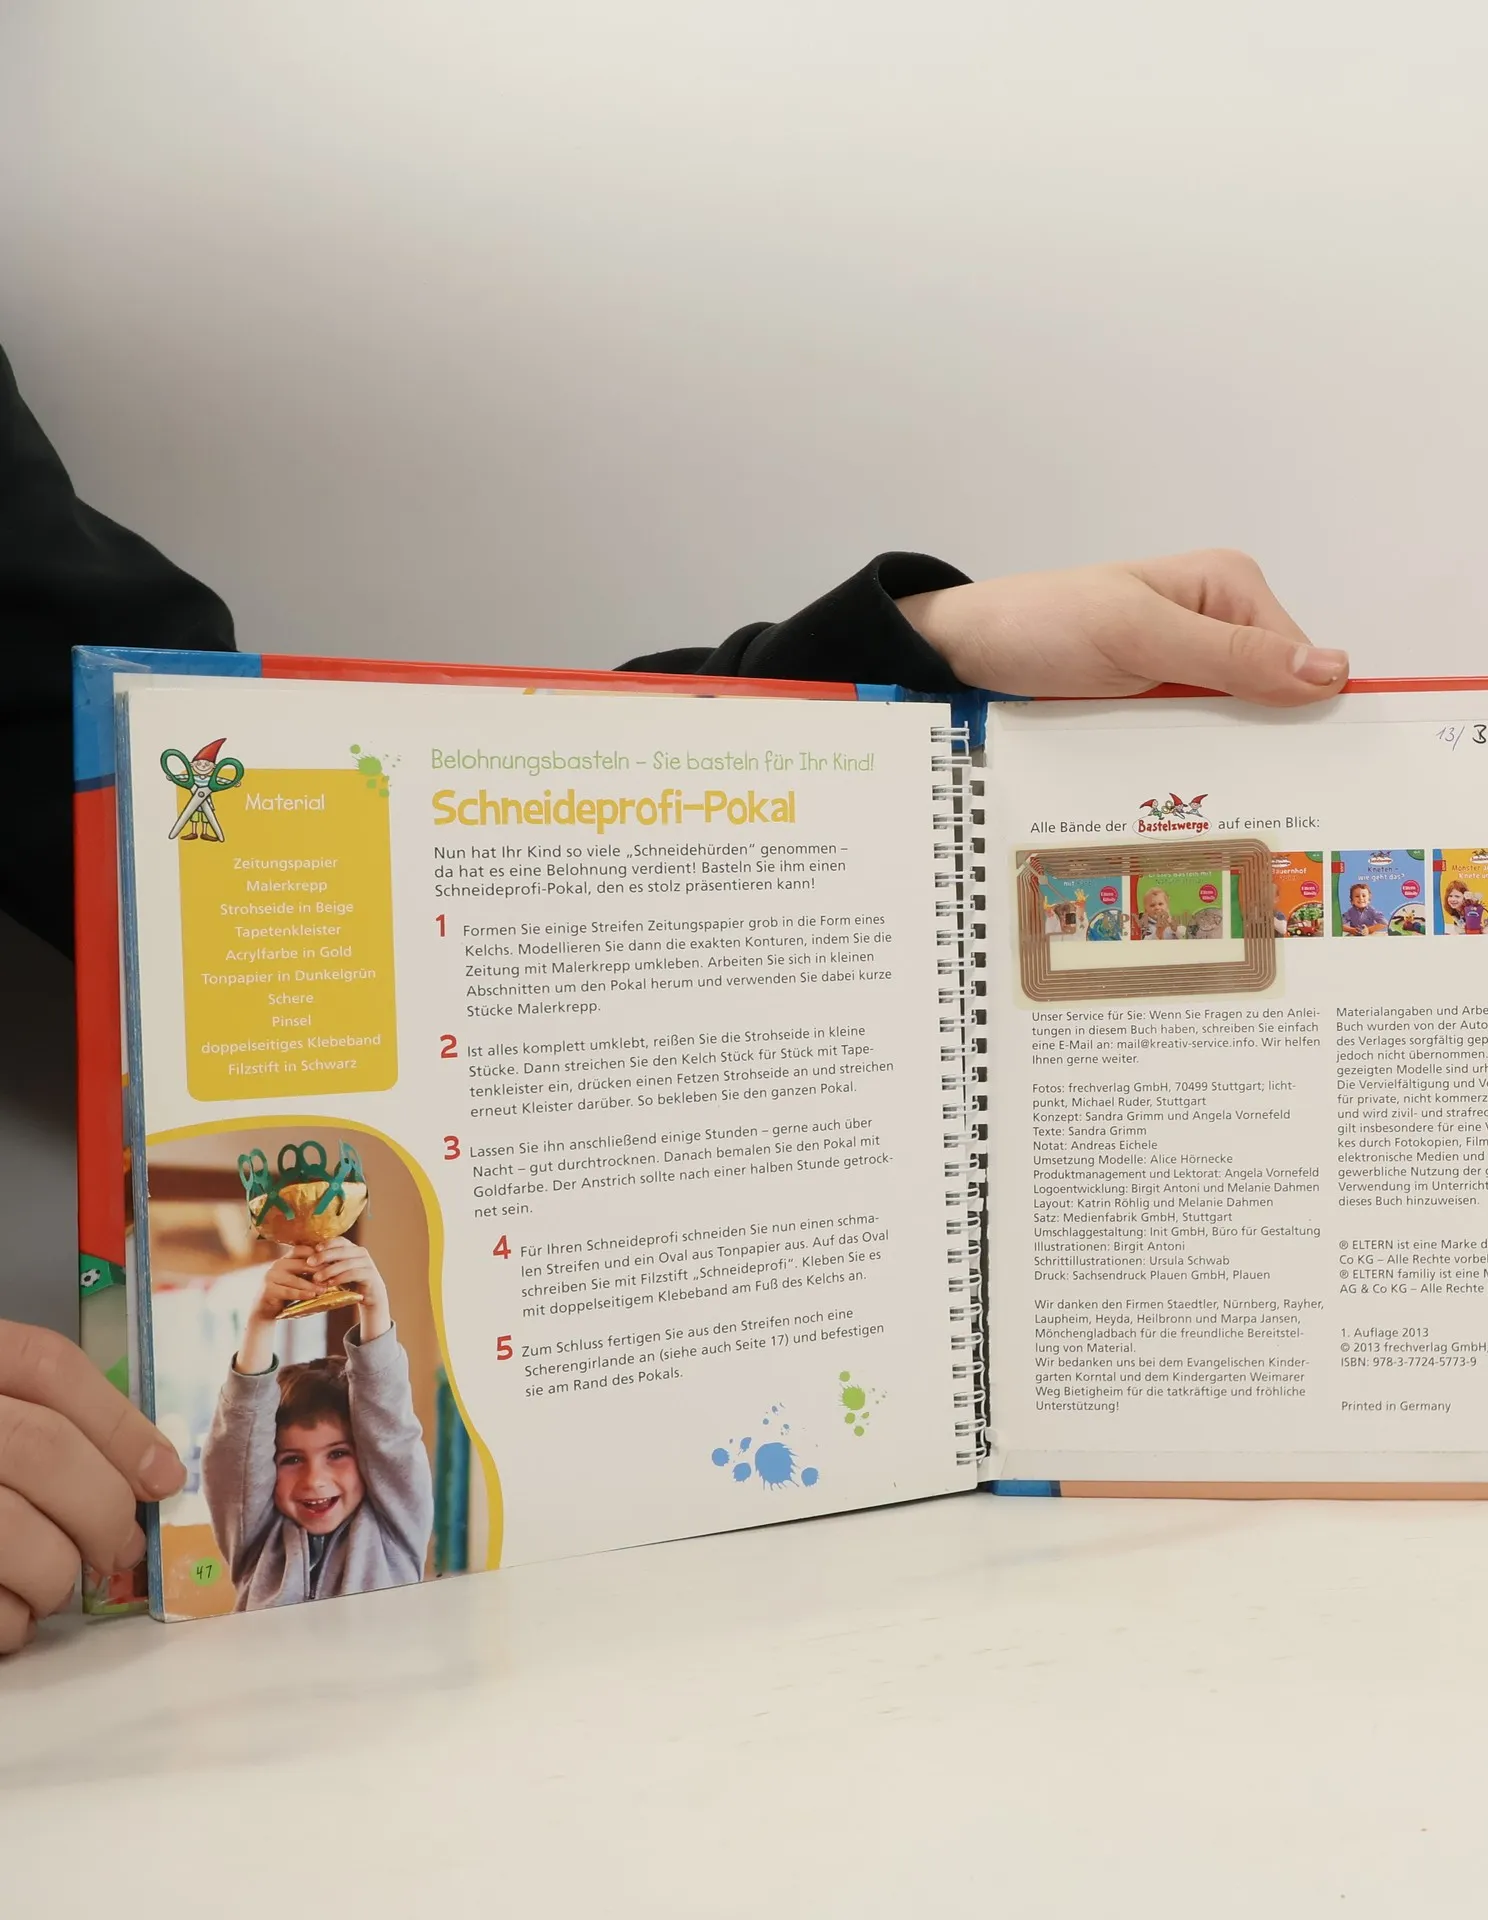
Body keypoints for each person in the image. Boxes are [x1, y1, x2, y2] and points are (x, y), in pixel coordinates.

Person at [0, 341, 1349, 1652]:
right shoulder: (280, 1517)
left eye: (329, 1453)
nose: (315, 1479)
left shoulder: (374, 1466)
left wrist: (924, 650)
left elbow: (192, 794)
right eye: (312, 1460)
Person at [203, 1239, 432, 1609]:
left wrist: (374, 1303)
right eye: (292, 1459)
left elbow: (388, 1428)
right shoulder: (255, 1537)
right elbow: (237, 1450)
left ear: (368, 1455)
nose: (314, 1479)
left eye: (337, 1453)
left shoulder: (395, 1526)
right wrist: (261, 1319)